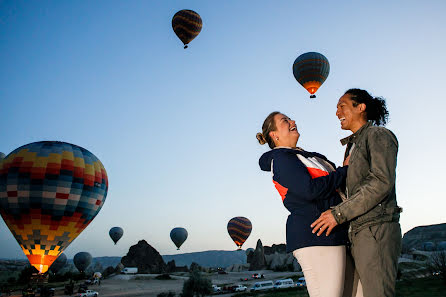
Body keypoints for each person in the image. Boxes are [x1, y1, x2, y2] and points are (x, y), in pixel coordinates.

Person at [311, 89, 402, 297]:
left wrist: (338, 214)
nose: (336, 112)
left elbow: (381, 182)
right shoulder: (352, 146)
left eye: (342, 105)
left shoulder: (378, 135)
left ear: (361, 108)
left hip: (376, 229)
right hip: (357, 232)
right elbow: (353, 191)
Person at [257, 111, 350, 297]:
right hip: (316, 237)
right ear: (274, 135)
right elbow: (309, 190)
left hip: (335, 233)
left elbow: (336, 185)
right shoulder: (281, 159)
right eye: (285, 121)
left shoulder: (309, 157)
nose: (293, 121)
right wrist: (345, 170)